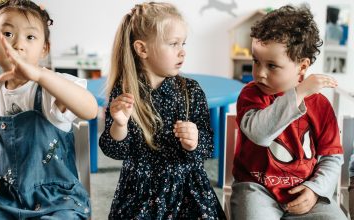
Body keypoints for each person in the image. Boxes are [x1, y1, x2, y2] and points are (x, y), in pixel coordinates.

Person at [0, 0, 98, 219]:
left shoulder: (51, 88)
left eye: (30, 37)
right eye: (7, 33)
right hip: (7, 200)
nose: (18, 44)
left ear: (44, 48)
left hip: (59, 202)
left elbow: (90, 109)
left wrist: (40, 75)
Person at [98, 2, 226, 219]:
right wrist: (119, 124)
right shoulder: (124, 91)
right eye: (173, 43)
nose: (182, 51)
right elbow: (115, 151)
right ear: (142, 49)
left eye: (183, 43)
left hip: (187, 190)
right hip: (139, 194)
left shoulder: (191, 91)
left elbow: (207, 146)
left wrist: (194, 141)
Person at [231, 5, 346, 220]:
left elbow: (331, 157)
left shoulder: (320, 105)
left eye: (272, 66)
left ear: (302, 67)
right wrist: (298, 93)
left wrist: (315, 190)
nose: (260, 73)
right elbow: (260, 134)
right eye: (256, 61)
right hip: (256, 189)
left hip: (305, 190)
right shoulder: (251, 95)